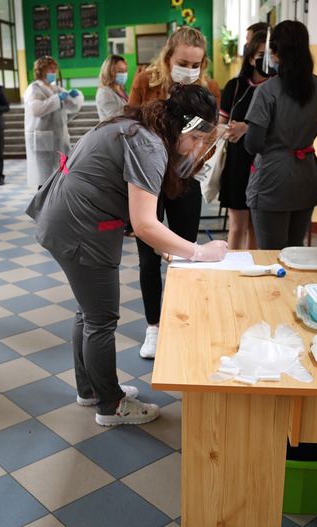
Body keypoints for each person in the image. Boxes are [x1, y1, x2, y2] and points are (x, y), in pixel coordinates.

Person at [28, 84, 227, 426]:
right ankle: (110, 405)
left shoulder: (138, 126)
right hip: (80, 227)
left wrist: (167, 247)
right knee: (100, 318)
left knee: (88, 312)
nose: (196, 148)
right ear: (181, 126)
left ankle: (91, 390)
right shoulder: (149, 145)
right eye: (195, 138)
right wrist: (199, 252)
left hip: (66, 216)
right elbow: (145, 224)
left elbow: (138, 217)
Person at [128, 26, 221, 360]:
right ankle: (153, 326)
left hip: (185, 178)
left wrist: (194, 154)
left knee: (186, 252)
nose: (189, 70)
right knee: (149, 256)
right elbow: (130, 125)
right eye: (183, 63)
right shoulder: (145, 82)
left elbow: (209, 140)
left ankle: (183, 317)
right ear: (167, 58)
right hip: (147, 179)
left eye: (196, 65)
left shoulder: (209, 88)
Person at [243, 21, 317, 250]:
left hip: (273, 179)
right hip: (306, 176)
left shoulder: (267, 90)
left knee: (271, 254)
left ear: (277, 52)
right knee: (295, 249)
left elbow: (253, 144)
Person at [219, 30, 271, 250]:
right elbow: (221, 124)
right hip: (237, 161)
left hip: (264, 161)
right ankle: (232, 266)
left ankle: (252, 265)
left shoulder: (276, 89)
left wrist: (247, 128)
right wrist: (229, 130)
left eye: (271, 54)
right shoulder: (235, 86)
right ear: (250, 58)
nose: (267, 60)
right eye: (261, 55)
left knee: (256, 226)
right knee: (237, 226)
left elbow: (281, 127)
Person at [24, 56, 83, 188]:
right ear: (41, 70)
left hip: (59, 137)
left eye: (55, 69)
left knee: (62, 174)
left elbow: (73, 106)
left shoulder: (55, 88)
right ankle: (44, 200)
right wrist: (57, 99)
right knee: (45, 177)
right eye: (50, 69)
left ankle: (58, 198)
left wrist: (75, 96)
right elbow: (37, 109)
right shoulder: (34, 88)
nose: (54, 72)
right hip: (43, 139)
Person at [96, 55, 129, 121]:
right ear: (109, 72)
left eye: (125, 71)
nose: (124, 74)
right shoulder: (104, 93)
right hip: (114, 127)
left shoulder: (122, 90)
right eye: (120, 71)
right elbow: (115, 116)